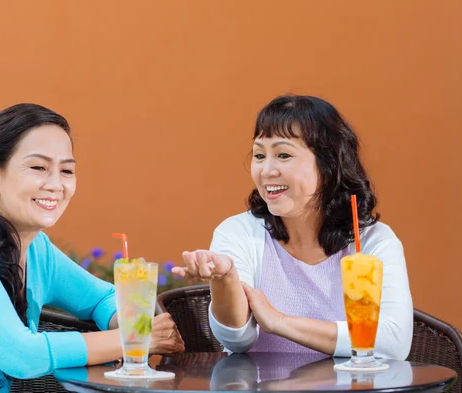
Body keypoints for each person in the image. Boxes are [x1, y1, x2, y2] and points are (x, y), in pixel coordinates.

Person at [0, 103, 184, 392]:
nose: (56, 184)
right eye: (38, 167)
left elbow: (101, 299)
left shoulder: (37, 250)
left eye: (67, 170)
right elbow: (21, 355)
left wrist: (136, 320)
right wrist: (136, 338)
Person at [172, 94, 412, 359]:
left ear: (329, 163)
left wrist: (280, 322)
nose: (266, 171)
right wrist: (225, 279)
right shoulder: (238, 233)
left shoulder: (374, 241)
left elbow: (393, 343)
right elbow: (237, 339)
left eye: (283, 154)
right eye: (259, 155)